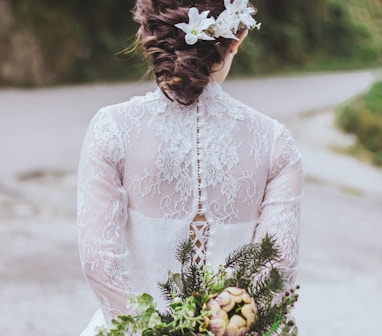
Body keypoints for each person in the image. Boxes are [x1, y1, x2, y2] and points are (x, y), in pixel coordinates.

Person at [77, 0, 304, 334]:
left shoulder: (112, 129)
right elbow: (276, 271)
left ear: (147, 34)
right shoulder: (275, 143)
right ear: (237, 37)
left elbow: (99, 261)